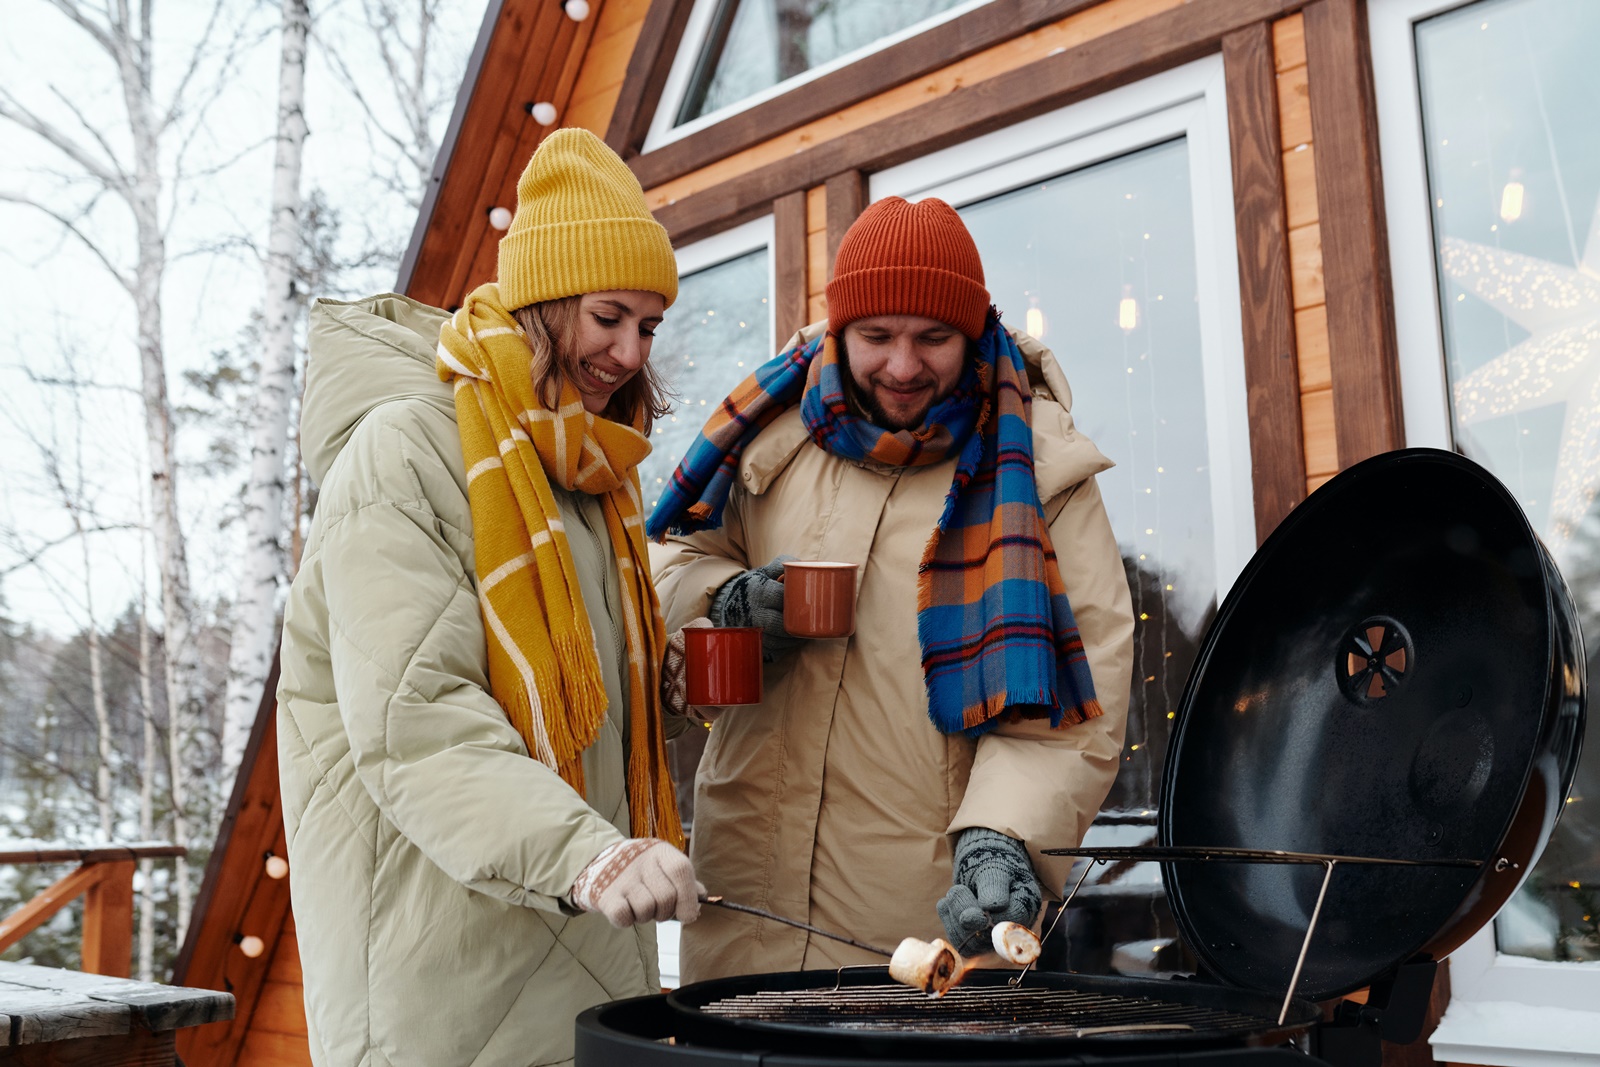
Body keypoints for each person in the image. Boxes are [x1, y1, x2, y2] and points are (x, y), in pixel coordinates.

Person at [277, 128, 703, 1067]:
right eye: (607, 316)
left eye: (650, 326)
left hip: (580, 945)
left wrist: (673, 673)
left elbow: (580, 707)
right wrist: (585, 854)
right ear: (543, 302)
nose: (629, 352)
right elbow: (415, 718)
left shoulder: (581, 472)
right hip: (439, 965)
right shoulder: (407, 451)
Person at [647, 196, 1135, 982]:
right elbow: (669, 569)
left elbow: (1079, 704)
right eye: (877, 336)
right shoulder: (767, 430)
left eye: (933, 337)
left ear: (970, 332)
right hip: (742, 907)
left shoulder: (1043, 469)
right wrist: (728, 604)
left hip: (921, 933)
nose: (903, 366)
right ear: (840, 331)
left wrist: (1003, 835)